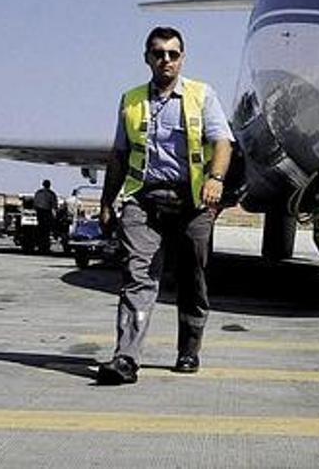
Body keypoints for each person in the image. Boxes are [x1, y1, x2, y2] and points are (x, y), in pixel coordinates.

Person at [96, 26, 234, 385]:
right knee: (136, 277)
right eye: (158, 53)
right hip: (144, 199)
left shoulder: (202, 95)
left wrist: (216, 180)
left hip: (193, 202)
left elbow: (223, 142)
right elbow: (119, 156)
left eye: (173, 54)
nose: (166, 60)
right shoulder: (130, 100)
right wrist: (107, 203)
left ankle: (189, 349)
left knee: (193, 279)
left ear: (182, 57)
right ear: (147, 58)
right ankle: (125, 358)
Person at [32, 179, 58, 250]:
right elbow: (54, 206)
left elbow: (35, 204)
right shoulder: (51, 194)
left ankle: (40, 243)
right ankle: (44, 244)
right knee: (46, 230)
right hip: (46, 213)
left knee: (40, 229)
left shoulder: (38, 193)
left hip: (39, 213)